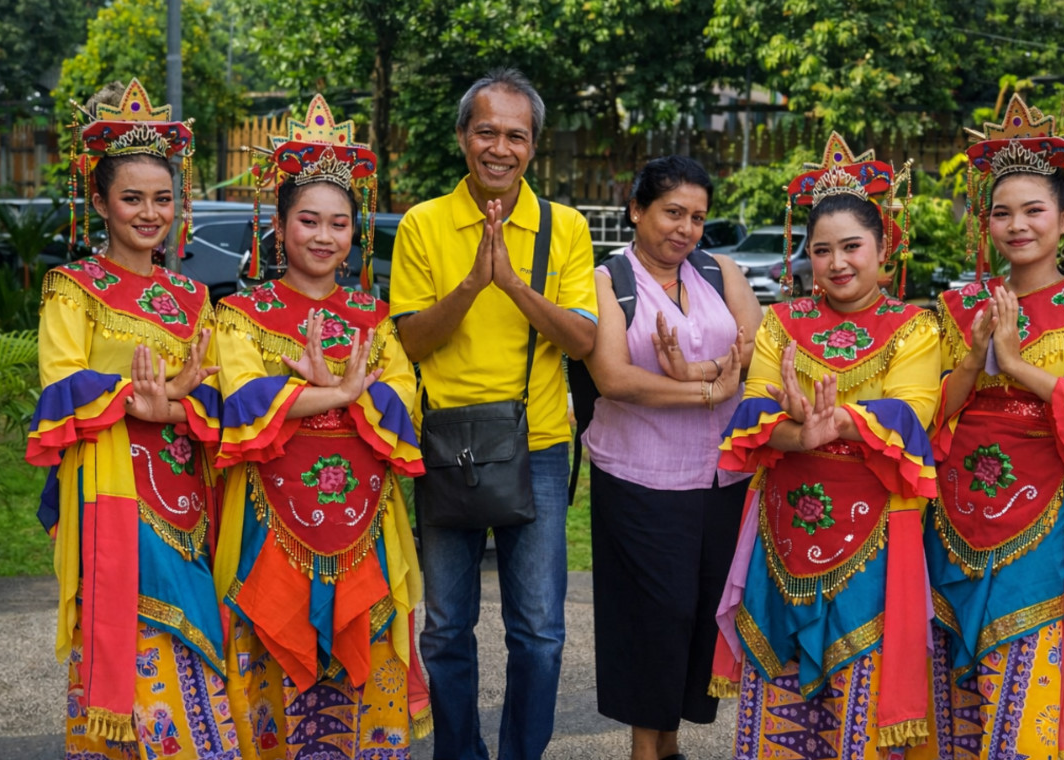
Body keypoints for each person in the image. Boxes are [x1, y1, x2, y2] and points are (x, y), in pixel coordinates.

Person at [911, 95, 1064, 760]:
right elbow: (927, 415)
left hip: (1046, 519)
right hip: (951, 514)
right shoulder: (958, 308)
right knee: (950, 680)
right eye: (1001, 212)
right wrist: (977, 363)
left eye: (1033, 210)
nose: (1016, 225)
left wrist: (1011, 363)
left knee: (1025, 684)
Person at [209, 94, 431, 757]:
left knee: (367, 678)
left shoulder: (373, 314)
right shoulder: (241, 314)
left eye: (338, 224)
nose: (323, 236)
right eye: (308, 220)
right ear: (278, 226)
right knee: (271, 673)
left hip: (364, 521)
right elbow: (241, 398)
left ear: (354, 235)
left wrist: (330, 393)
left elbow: (404, 398)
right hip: (267, 518)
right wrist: (339, 390)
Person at [389, 67, 598, 760]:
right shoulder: (421, 224)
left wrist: (510, 282)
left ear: (533, 146)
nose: (499, 147)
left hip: (534, 446)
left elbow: (583, 341)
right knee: (446, 627)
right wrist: (474, 283)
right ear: (461, 137)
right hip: (446, 446)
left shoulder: (563, 227)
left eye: (516, 135)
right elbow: (411, 340)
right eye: (486, 131)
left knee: (538, 630)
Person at [26, 79, 239, 759]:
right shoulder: (73, 290)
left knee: (198, 649)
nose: (150, 214)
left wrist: (173, 401)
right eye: (132, 199)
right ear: (99, 203)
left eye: (162, 199)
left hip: (187, 505)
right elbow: (62, 385)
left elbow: (216, 398)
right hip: (113, 499)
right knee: (128, 643)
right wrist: (137, 398)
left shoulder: (193, 295)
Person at [713, 133, 941, 758]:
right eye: (821, 251)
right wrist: (797, 431)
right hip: (783, 530)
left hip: (876, 537)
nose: (837, 263)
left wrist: (831, 423)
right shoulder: (783, 323)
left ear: (883, 247)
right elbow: (753, 407)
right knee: (780, 700)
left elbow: (913, 411)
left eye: (851, 247)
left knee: (858, 696)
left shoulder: (914, 327)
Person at [581, 155, 760, 760]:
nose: (685, 229)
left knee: (700, 612)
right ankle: (643, 749)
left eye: (697, 217)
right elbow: (614, 378)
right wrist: (709, 388)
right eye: (672, 212)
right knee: (652, 615)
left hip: (717, 478)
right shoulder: (608, 280)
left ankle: (672, 742)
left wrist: (706, 371)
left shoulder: (720, 269)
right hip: (639, 476)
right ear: (637, 211)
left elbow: (751, 350)